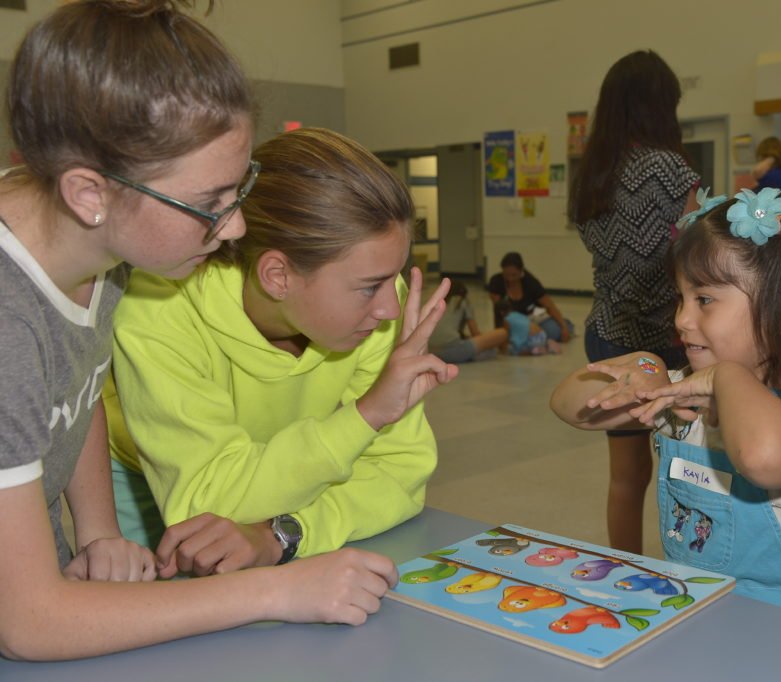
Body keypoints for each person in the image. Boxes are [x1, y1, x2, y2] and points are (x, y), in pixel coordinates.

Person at [0, 1, 406, 661]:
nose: (237, 228)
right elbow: (29, 623)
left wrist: (99, 531)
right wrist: (279, 593)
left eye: (238, 190)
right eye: (209, 204)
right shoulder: (7, 321)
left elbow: (75, 388)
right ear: (89, 194)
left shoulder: (98, 249)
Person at [105, 127, 457, 570]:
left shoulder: (377, 311)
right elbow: (204, 502)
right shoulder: (158, 306)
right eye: (370, 288)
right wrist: (366, 416)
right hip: (152, 484)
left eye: (396, 277)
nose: (392, 307)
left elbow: (402, 474)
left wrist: (284, 533)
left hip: (297, 481)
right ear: (277, 276)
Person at [552, 188, 781, 623]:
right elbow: (569, 406)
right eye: (680, 298)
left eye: (705, 300)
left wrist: (726, 376)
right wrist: (643, 365)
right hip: (697, 612)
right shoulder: (683, 396)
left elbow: (764, 457)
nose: (681, 320)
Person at [568, 49, 700, 553]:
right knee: (685, 466)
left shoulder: (593, 173)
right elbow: (692, 254)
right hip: (669, 340)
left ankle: (625, 569)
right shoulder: (670, 169)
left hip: (610, 335)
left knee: (626, 478)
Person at [487, 251, 573, 343]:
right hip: (512, 321)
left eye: (514, 275)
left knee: (554, 331)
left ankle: (566, 324)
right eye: (506, 275)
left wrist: (563, 326)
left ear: (521, 271)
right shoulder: (496, 282)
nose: (510, 279)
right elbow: (498, 311)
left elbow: (549, 305)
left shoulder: (530, 282)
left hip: (533, 316)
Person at [429, 280, 507, 364]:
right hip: (453, 350)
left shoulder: (435, 304)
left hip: (431, 352)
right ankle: (469, 355)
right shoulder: (462, 301)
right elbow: (475, 333)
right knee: (501, 334)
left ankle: (469, 354)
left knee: (472, 344)